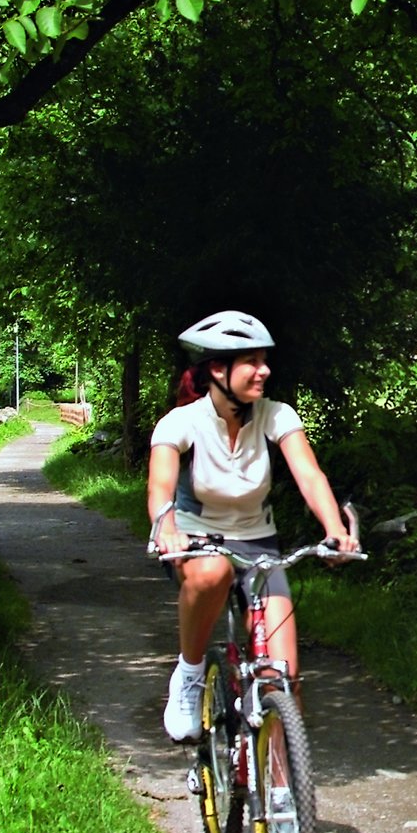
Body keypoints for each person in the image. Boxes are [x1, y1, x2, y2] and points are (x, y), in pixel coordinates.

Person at [147, 310, 359, 742]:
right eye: (252, 362)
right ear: (218, 370)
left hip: (259, 544)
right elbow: (160, 486)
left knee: (283, 677)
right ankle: (189, 675)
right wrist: (166, 527)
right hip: (197, 541)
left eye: (265, 361)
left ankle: (280, 776)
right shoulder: (181, 422)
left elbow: (309, 475)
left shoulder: (275, 415)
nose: (264, 371)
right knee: (213, 572)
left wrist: (335, 528)